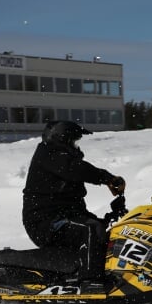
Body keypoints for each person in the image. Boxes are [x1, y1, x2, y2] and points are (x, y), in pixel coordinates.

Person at [22, 120, 125, 284]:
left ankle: (110, 275)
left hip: (60, 218)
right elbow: (77, 169)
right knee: (91, 230)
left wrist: (106, 220)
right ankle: (91, 282)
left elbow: (75, 208)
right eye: (74, 142)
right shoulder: (49, 155)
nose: (76, 147)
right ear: (62, 140)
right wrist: (107, 178)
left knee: (101, 230)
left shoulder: (60, 162)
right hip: (44, 222)